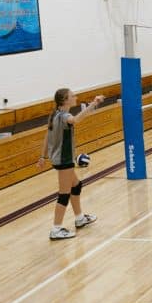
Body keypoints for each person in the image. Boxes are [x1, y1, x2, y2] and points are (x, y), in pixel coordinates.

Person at [38, 88, 104, 240]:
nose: (76, 97)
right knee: (64, 194)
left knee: (76, 185)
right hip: (63, 160)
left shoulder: (54, 115)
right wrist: (93, 104)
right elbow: (75, 120)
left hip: (62, 159)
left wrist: (43, 156)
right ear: (65, 100)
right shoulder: (63, 116)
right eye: (72, 96)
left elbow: (47, 136)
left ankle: (79, 218)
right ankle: (56, 228)